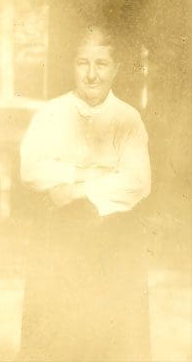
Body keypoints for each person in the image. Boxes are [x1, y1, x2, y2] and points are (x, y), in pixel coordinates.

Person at [19, 25, 151, 361]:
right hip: (59, 243)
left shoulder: (127, 119)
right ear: (73, 66)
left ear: (115, 69)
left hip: (112, 243)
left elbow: (136, 182)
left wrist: (76, 187)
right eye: (83, 63)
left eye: (101, 64)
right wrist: (86, 172)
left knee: (112, 338)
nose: (91, 75)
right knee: (56, 339)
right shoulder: (51, 113)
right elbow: (31, 168)